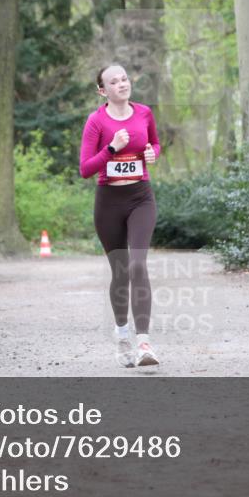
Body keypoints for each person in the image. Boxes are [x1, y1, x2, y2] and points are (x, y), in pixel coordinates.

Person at [79, 65, 161, 367]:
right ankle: (123, 335)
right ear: (103, 91)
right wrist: (112, 148)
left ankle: (144, 343)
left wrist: (153, 152)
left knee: (138, 264)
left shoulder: (144, 113)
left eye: (124, 78)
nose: (121, 84)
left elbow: (155, 143)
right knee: (121, 271)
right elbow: (86, 168)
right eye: (113, 82)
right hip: (109, 202)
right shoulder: (96, 121)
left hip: (140, 197)